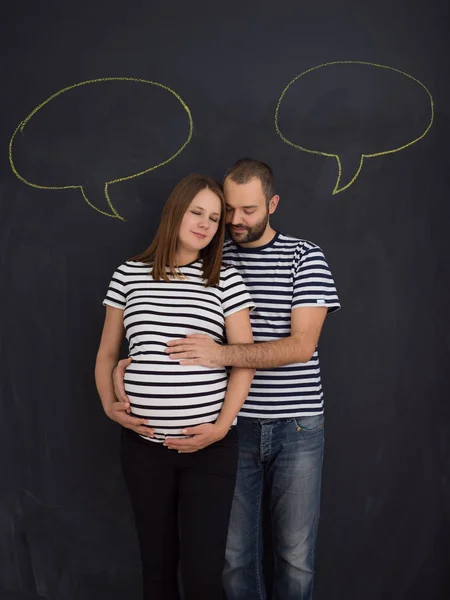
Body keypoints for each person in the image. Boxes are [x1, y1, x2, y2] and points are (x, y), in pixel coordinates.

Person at [114, 159, 340, 600]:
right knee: (234, 559)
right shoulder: (212, 254)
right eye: (228, 210)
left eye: (248, 210)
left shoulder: (304, 255)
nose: (234, 221)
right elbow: (165, 314)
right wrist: (134, 366)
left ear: (272, 205)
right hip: (231, 427)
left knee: (294, 556)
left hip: (296, 423)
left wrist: (221, 353)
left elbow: (301, 347)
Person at [95, 173, 255, 600]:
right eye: (196, 212)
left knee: (204, 578)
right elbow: (108, 352)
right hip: (144, 449)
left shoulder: (225, 279)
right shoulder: (129, 274)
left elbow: (245, 360)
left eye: (214, 218)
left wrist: (221, 427)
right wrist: (109, 405)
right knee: (157, 571)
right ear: (175, 212)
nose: (205, 224)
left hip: (210, 451)